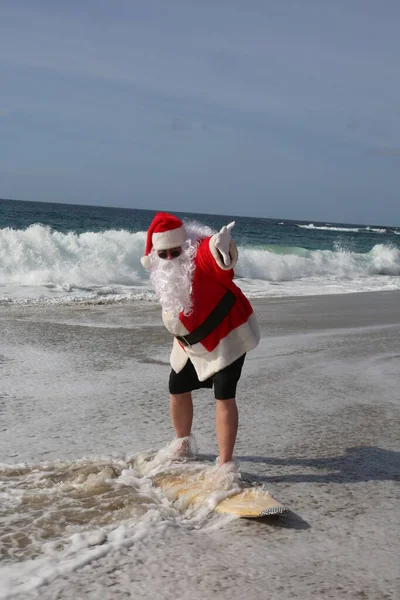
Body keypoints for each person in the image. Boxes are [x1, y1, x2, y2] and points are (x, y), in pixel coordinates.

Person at [141, 212, 260, 465]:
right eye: (164, 254)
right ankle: (182, 444)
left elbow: (214, 258)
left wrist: (220, 246)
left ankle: (225, 464)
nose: (171, 258)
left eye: (176, 251)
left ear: (186, 246)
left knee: (224, 395)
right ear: (155, 255)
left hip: (226, 337)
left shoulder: (199, 256)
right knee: (177, 388)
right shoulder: (162, 269)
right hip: (188, 344)